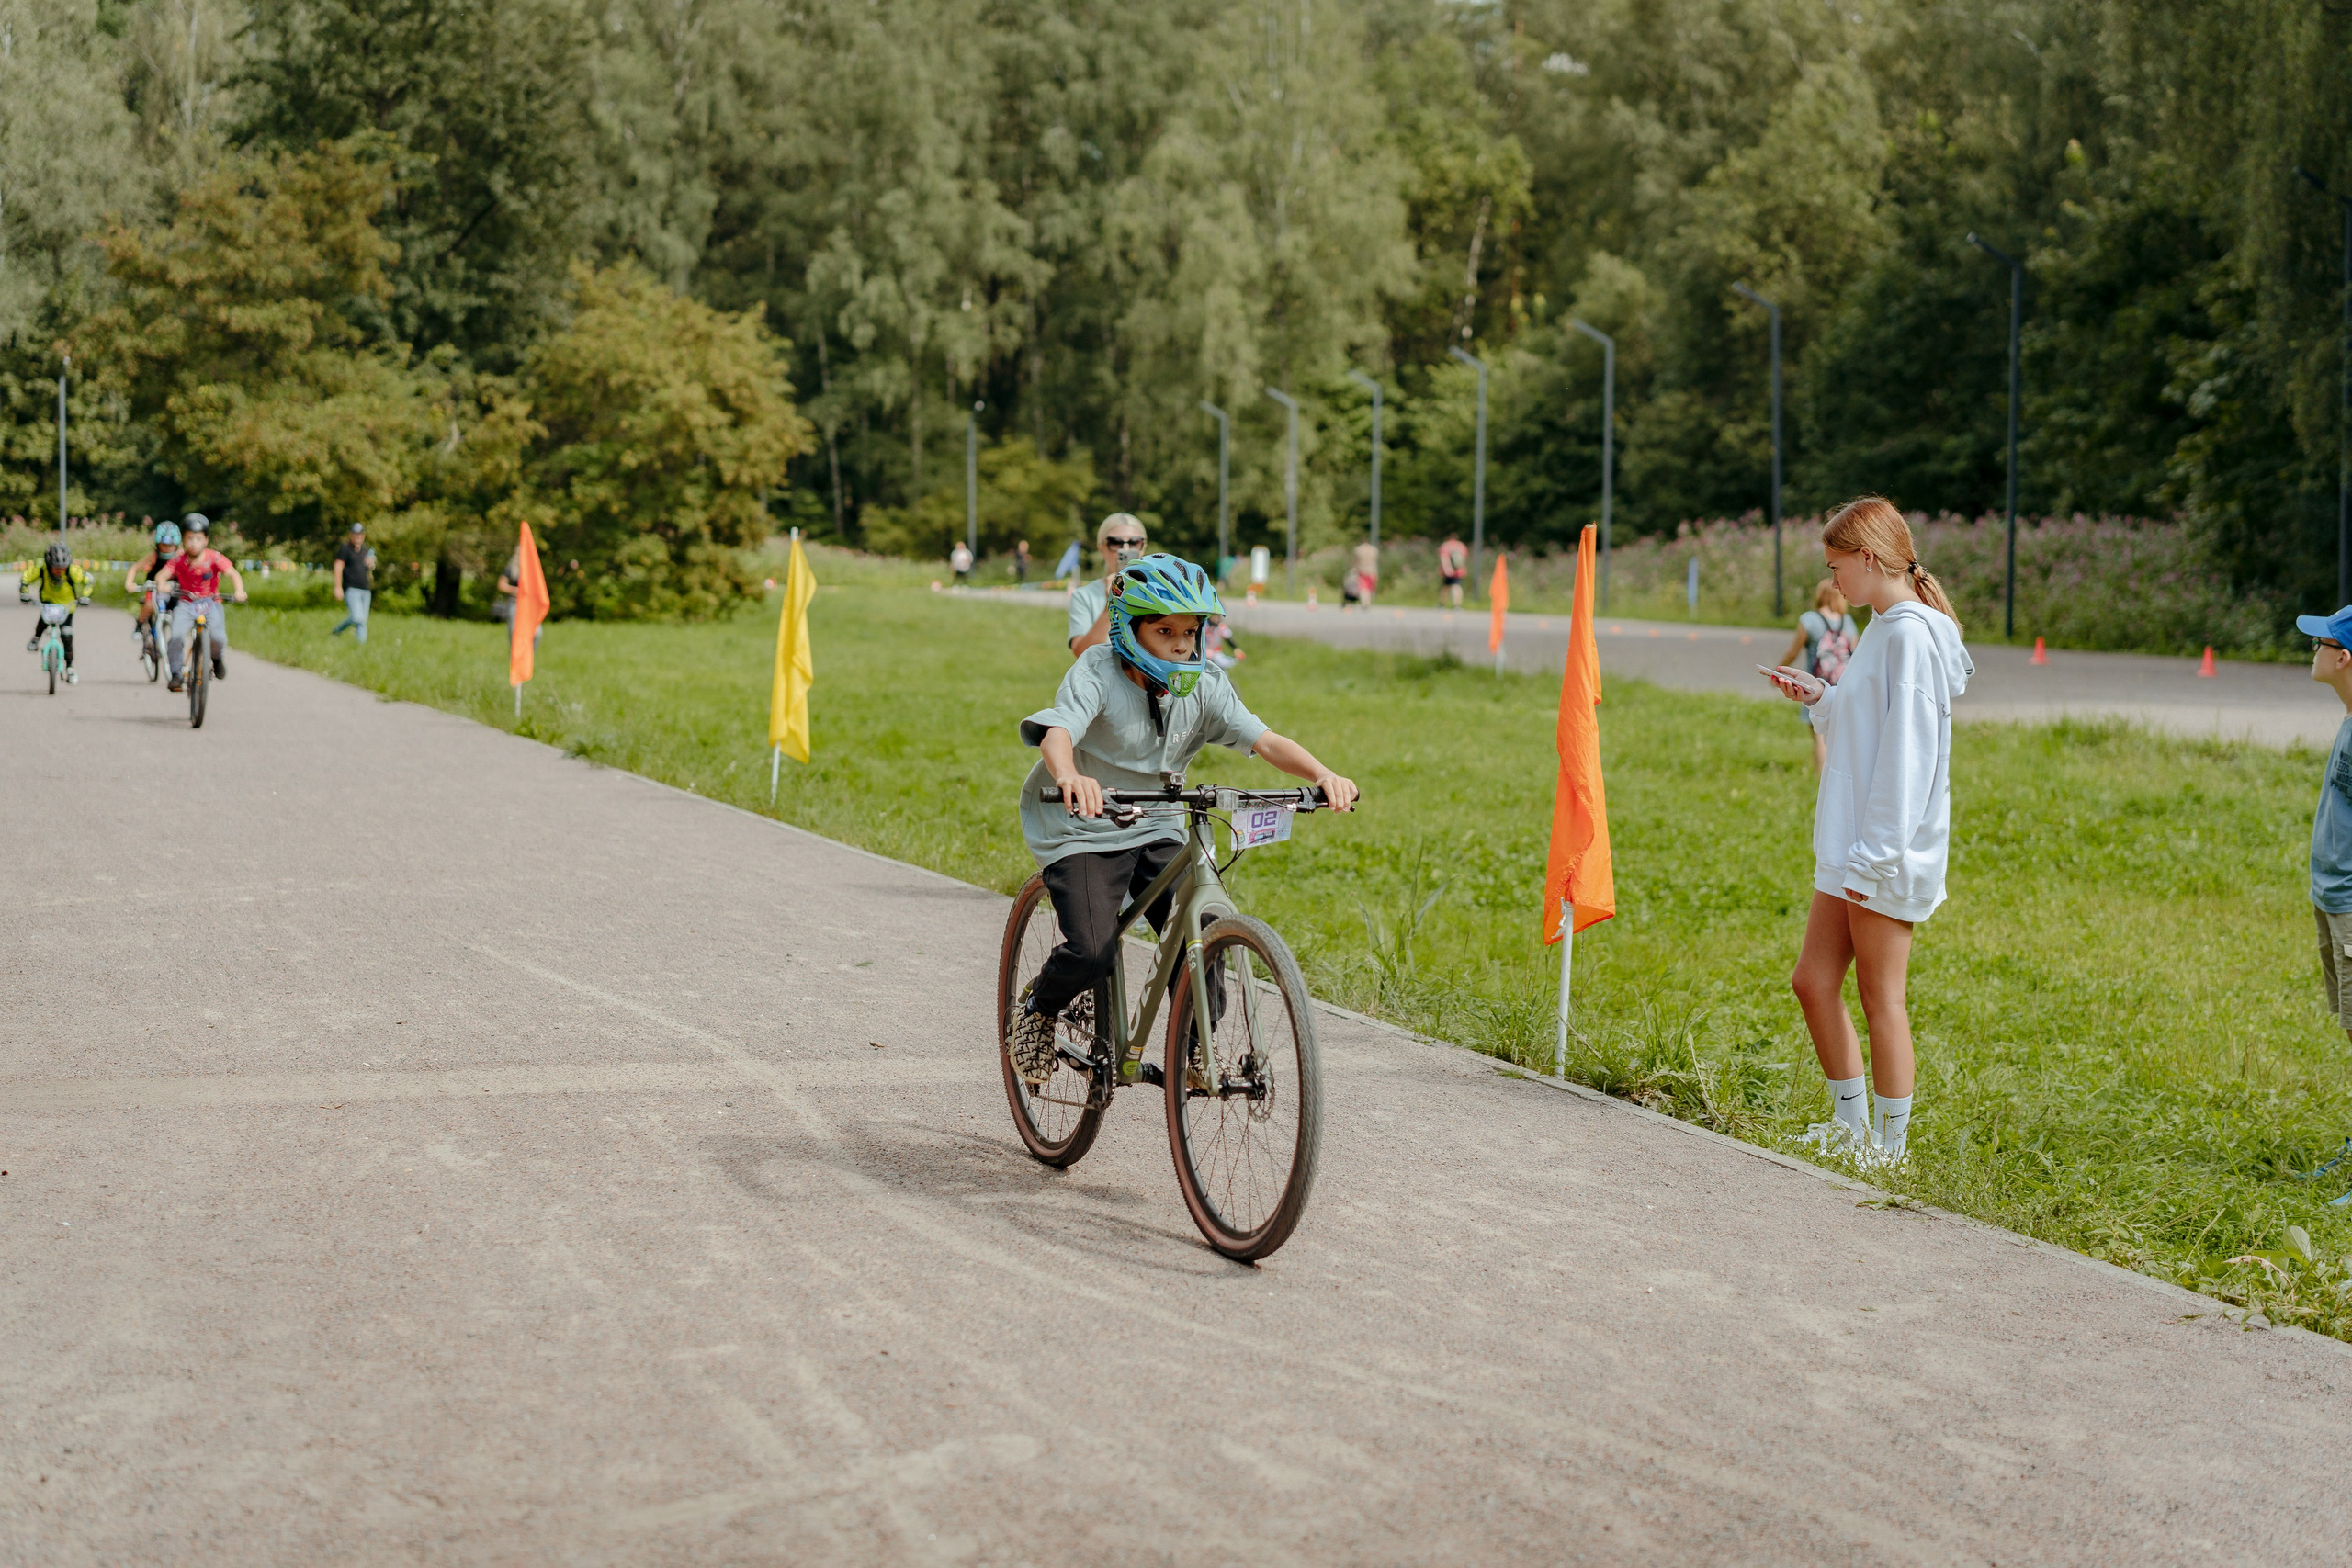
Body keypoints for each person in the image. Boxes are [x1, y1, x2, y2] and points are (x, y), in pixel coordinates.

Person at [1006, 553, 1358, 1084]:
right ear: (1129, 627)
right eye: (1165, 630)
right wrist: (1069, 777)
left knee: (1208, 933)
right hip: (1081, 823)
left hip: (1159, 821)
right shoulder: (1098, 670)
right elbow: (1060, 731)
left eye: (1190, 631)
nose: (1181, 644)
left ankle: (1195, 1049)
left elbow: (1265, 740)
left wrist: (1323, 774)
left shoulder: (1204, 683)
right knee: (1093, 949)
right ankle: (1037, 1008)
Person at [1762, 497, 1971, 1167]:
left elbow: (1907, 759)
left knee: (1882, 997)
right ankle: (1852, 1128)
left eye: (1836, 566)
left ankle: (1892, 1148)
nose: (1833, 581)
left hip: (1881, 853)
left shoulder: (1911, 634)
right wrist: (1820, 698)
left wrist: (1876, 858)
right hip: (1853, 847)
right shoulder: (1883, 625)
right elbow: (1864, 716)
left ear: (1869, 558)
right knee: (1812, 979)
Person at [2298, 604, 2352, 1054]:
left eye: (2320, 643)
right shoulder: (2349, 717)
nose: (2312, 651)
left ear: (2344, 658)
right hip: (2333, 895)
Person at [1780, 578, 1858, 774]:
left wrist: (1780, 668)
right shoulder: (1847, 622)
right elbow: (1856, 653)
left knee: (1818, 733)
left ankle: (1821, 776)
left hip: (1816, 686)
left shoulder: (1809, 620)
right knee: (1840, 731)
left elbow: (1793, 651)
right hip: (1843, 683)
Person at [162, 514, 247, 692]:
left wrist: (239, 590)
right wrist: (162, 584)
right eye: (189, 538)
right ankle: (176, 673)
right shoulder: (178, 560)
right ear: (183, 540)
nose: (194, 543)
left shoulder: (215, 558)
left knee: (219, 637)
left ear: (206, 540)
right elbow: (161, 575)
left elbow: (233, 574)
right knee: (176, 635)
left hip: (211, 603)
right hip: (186, 603)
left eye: (198, 538)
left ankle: (216, 659)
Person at [1066, 513, 1150, 656]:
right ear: (1101, 548)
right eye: (1115, 543)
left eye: (1134, 542)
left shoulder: (1158, 588)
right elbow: (1082, 654)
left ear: (1143, 546)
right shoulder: (1084, 595)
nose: (1125, 549)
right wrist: (1109, 606)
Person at [21, 541, 93, 682]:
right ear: (49, 565)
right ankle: (36, 637)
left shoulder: (73, 571)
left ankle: (70, 668)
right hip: (48, 602)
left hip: (67, 606)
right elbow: (25, 578)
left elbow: (88, 581)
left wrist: (85, 596)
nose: (59, 571)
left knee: (67, 635)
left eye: (63, 568)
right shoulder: (42, 569)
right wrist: (24, 592)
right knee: (43, 620)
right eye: (56, 568)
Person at [125, 521, 184, 660]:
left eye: (170, 546)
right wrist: (129, 583)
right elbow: (134, 568)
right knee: (149, 605)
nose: (166, 548)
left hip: (174, 588)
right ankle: (139, 624)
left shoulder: (181, 555)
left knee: (178, 611)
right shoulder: (154, 555)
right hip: (154, 587)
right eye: (163, 545)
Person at [332, 523, 376, 643]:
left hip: (365, 590)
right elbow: (338, 567)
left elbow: (369, 569)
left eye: (360, 534)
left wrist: (370, 565)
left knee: (362, 621)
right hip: (351, 589)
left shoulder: (365, 551)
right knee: (357, 617)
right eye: (355, 534)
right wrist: (337, 587)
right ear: (350, 535)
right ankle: (337, 630)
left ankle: (360, 647)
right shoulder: (345, 549)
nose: (358, 537)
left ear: (363, 535)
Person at [1437, 533, 1468, 608]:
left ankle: (1442, 604)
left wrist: (1447, 568)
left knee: (1445, 587)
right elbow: (1463, 558)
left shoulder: (1446, 545)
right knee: (1457, 587)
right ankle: (1457, 605)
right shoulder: (1461, 546)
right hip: (1458, 571)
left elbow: (1444, 557)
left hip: (1447, 570)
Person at [1351, 539, 1380, 607]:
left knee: (1363, 587)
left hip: (1362, 570)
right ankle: (1368, 601)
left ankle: (1364, 602)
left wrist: (1354, 568)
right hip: (1372, 570)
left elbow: (1355, 560)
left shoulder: (1358, 550)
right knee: (1370, 587)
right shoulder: (1374, 550)